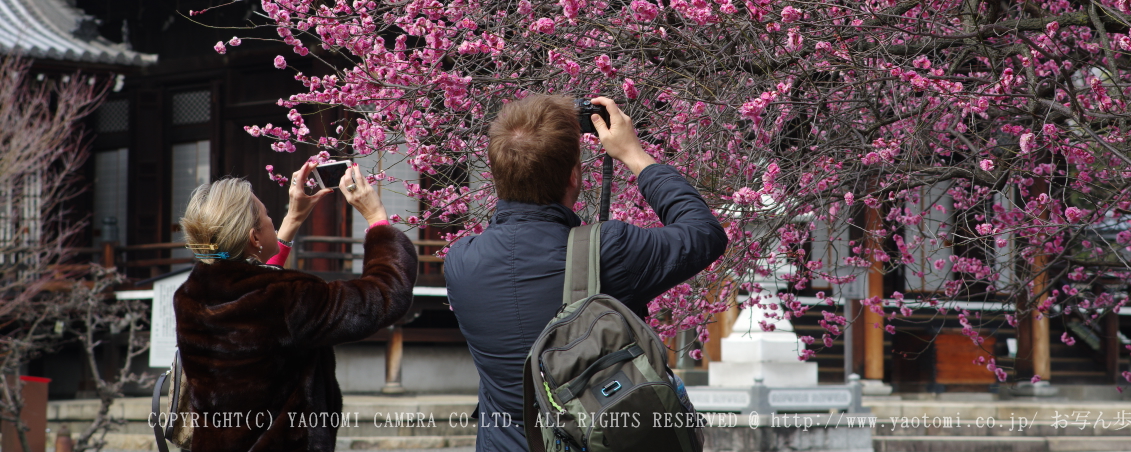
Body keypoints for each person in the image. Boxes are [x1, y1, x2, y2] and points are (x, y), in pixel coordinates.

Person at [445, 95, 728, 452]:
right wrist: (633, 155)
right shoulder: (608, 250)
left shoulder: (460, 260)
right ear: (574, 176)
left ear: (497, 175)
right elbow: (704, 234)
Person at [173, 162, 416, 452]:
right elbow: (385, 295)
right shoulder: (287, 299)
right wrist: (377, 220)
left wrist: (293, 219)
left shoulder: (189, 295)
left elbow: (254, 296)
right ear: (254, 237)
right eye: (267, 217)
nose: (273, 220)